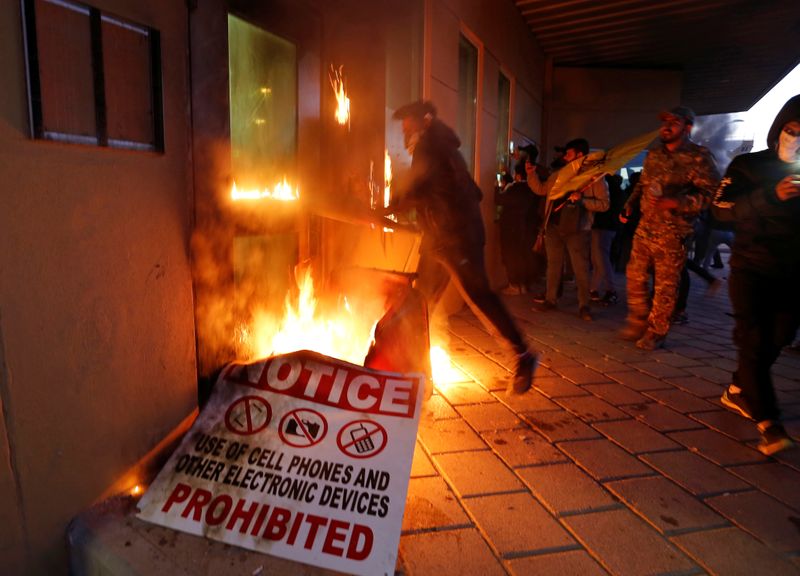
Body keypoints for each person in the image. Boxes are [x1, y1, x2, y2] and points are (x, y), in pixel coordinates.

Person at [388, 100, 537, 395]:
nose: (404, 129)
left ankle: (523, 356)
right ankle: (419, 375)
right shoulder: (443, 145)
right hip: (439, 238)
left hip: (456, 238)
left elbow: (422, 188)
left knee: (479, 296)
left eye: (408, 123)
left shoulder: (430, 146)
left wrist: (392, 206)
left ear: (424, 121)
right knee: (421, 304)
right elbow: (466, 191)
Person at [713, 94, 800, 455]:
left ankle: (737, 389)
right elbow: (720, 211)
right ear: (780, 128)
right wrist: (771, 196)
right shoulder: (749, 166)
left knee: (777, 339)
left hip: (792, 274)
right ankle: (769, 424)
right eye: (792, 129)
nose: (795, 138)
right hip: (750, 269)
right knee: (752, 340)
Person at [620, 106, 720, 350]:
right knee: (634, 275)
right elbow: (643, 184)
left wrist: (677, 202)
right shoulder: (654, 154)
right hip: (646, 226)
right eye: (664, 121)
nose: (666, 126)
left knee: (665, 284)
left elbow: (712, 194)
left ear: (687, 127)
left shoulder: (699, 157)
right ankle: (638, 319)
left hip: (674, 231)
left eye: (673, 122)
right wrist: (630, 204)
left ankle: (657, 331)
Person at [526, 138, 609, 321]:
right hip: (554, 226)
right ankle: (550, 299)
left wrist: (582, 200)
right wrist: (531, 175)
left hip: (578, 229)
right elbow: (541, 189)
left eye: (568, 153)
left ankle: (584, 305)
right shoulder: (559, 174)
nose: (565, 156)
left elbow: (604, 204)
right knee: (553, 266)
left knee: (580, 268)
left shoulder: (593, 176)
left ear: (580, 155)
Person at [495, 162, 538, 294]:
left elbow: (500, 200)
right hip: (524, 227)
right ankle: (523, 285)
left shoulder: (518, 189)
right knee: (521, 255)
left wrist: (496, 187)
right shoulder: (531, 188)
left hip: (512, 226)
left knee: (511, 255)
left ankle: (514, 285)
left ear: (518, 175)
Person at [590, 174, 623, 305]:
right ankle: (594, 288)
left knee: (601, 259)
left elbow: (604, 208)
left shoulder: (609, 193)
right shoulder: (618, 192)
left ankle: (611, 290)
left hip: (602, 227)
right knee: (599, 259)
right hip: (608, 227)